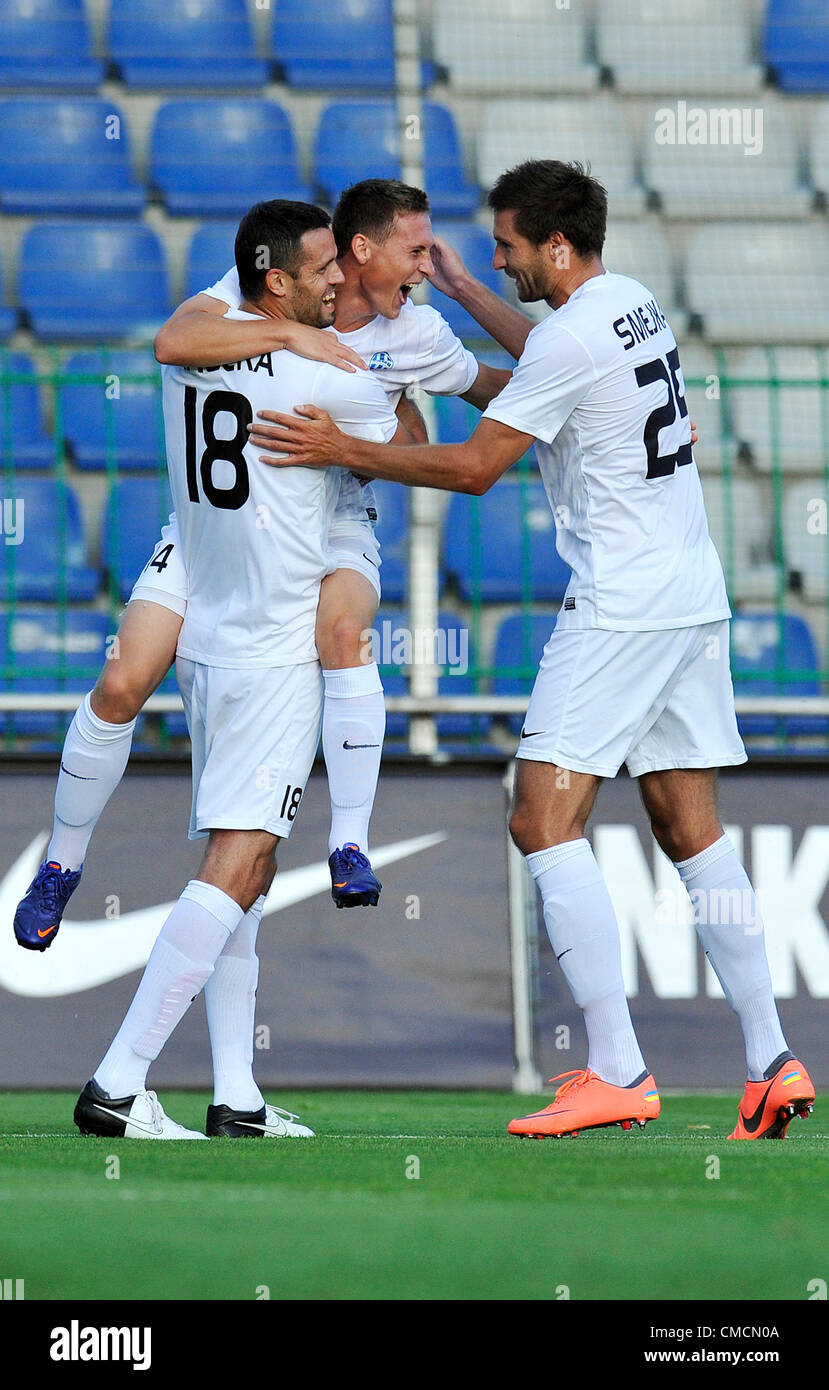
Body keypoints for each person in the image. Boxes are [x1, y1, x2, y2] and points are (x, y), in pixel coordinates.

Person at [246, 161, 815, 1144]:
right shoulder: (628, 305)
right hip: (691, 594)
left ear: (553, 246)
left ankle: (620, 1069)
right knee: (691, 829)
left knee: (539, 816)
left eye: (504, 246)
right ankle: (770, 1057)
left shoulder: (572, 334)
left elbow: (473, 469)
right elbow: (550, 359)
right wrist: (466, 291)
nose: (493, 256)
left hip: (622, 604)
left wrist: (347, 452)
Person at [13, 181, 522, 945]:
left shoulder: (416, 333)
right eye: (415, 250)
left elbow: (495, 392)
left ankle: (348, 842)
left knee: (344, 635)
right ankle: (62, 861)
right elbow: (175, 340)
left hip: (331, 518)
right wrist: (291, 339)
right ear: (358, 253)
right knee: (122, 681)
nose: (425, 266)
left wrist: (587, 396)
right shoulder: (263, 295)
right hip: (213, 525)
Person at [73, 199, 403, 1139]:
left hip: (209, 638)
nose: (339, 279)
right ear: (276, 282)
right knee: (241, 860)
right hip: (270, 650)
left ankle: (236, 1096)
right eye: (323, 268)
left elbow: (179, 335)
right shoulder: (319, 368)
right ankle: (117, 1081)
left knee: (243, 875)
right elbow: (411, 452)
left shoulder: (201, 346)